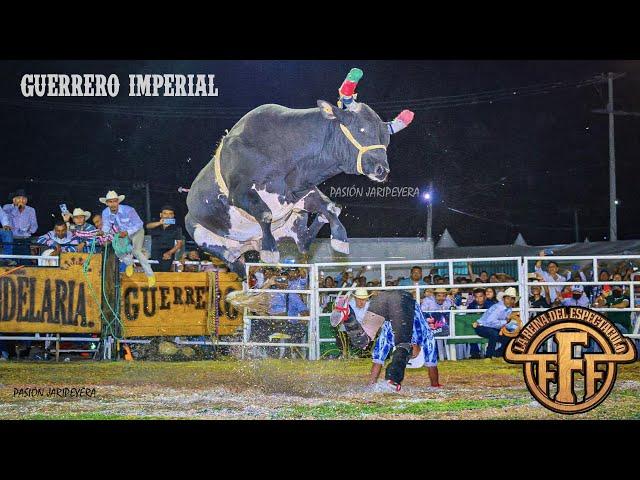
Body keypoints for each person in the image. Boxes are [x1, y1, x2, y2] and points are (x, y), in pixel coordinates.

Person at [331, 289, 441, 391]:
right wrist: (435, 385)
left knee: (363, 341)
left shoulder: (388, 336)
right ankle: (392, 379)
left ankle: (348, 315)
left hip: (382, 301)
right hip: (401, 301)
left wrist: (371, 385)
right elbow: (431, 364)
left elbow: (378, 360)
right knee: (404, 346)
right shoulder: (427, 338)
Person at [369, 299, 441, 389]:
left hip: (412, 337)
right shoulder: (388, 329)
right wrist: (372, 385)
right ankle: (389, 380)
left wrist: (435, 385)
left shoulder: (425, 333)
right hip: (400, 336)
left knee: (402, 353)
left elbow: (431, 363)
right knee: (394, 355)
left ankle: (392, 379)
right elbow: (377, 359)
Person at [100, 190, 155, 287]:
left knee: (136, 252)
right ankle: (129, 264)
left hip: (136, 231)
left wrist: (127, 232)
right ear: (107, 203)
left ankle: (150, 275)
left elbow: (139, 224)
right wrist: (102, 232)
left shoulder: (129, 210)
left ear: (118, 201)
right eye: (110, 202)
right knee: (118, 252)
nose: (113, 204)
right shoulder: (105, 213)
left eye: (115, 201)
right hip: (122, 234)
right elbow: (106, 227)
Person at [473, 287, 519, 358]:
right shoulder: (498, 308)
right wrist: (506, 322)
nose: (510, 301)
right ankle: (489, 355)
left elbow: (501, 323)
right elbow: (490, 322)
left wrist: (515, 328)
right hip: (482, 327)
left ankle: (497, 354)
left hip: (491, 327)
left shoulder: (508, 308)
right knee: (494, 334)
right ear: (503, 299)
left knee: (509, 337)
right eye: (508, 298)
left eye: (512, 299)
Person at [146, 205, 184, 272]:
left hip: (168, 251)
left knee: (165, 271)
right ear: (161, 215)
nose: (167, 215)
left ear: (173, 216)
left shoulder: (177, 228)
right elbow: (147, 226)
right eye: (165, 213)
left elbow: (179, 243)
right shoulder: (155, 225)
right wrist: (160, 223)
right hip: (154, 252)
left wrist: (169, 252)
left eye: (170, 214)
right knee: (154, 271)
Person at [3, 189, 38, 263]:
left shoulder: (31, 210)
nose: (21, 200)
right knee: (12, 262)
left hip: (25, 239)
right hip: (11, 239)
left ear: (27, 200)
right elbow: (5, 217)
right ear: (14, 199)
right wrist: (16, 207)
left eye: (24, 198)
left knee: (25, 262)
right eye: (19, 198)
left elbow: (34, 225)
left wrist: (29, 231)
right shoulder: (7, 208)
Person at [465, 287, 497, 359]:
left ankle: (489, 355)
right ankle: (475, 353)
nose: (478, 299)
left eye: (481, 296)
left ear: (485, 297)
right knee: (469, 330)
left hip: (488, 327)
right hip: (476, 326)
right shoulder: (471, 305)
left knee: (493, 333)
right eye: (476, 297)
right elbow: (468, 317)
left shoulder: (491, 305)